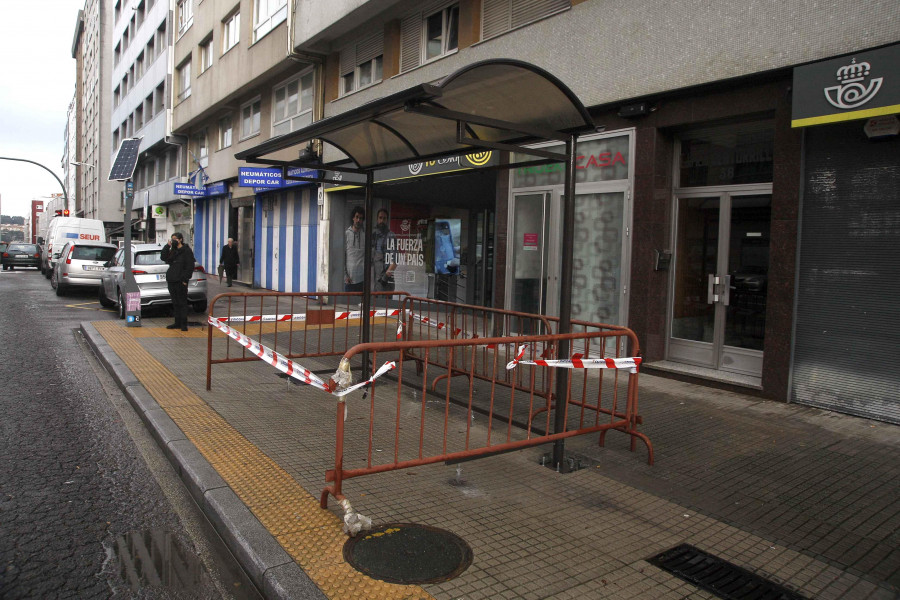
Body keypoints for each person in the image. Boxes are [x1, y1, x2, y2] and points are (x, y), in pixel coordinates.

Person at [160, 232, 195, 331]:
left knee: (182, 302)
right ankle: (177, 322)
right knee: (175, 302)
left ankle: (184, 324)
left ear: (180, 239)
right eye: (172, 239)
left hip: (181, 281)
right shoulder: (173, 251)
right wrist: (167, 246)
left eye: (175, 239)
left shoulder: (186, 251)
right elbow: (163, 257)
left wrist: (185, 279)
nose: (173, 240)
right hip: (172, 279)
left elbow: (189, 266)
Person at [372, 208, 397, 292]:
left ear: (387, 220)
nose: (382, 220)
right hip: (376, 281)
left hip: (385, 282)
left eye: (384, 218)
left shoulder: (391, 236)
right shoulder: (375, 235)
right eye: (380, 218)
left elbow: (395, 261)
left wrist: (384, 278)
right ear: (377, 219)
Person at [344, 206, 365, 292]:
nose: (358, 220)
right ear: (353, 218)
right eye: (356, 217)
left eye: (360, 218)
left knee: (361, 305)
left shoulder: (365, 235)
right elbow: (342, 257)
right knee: (349, 305)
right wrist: (345, 276)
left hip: (362, 280)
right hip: (349, 280)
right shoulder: (346, 234)